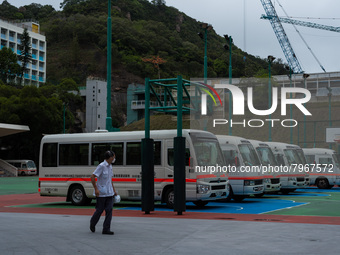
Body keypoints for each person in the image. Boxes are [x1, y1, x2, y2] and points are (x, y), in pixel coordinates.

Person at [90, 150, 117, 235]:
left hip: (109, 193)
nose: (114, 158)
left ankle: (106, 229)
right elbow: (92, 177)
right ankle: (92, 223)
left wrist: (114, 190)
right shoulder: (101, 166)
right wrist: (96, 189)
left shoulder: (110, 166)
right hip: (101, 193)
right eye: (113, 157)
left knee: (109, 210)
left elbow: (110, 180)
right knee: (99, 210)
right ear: (110, 157)